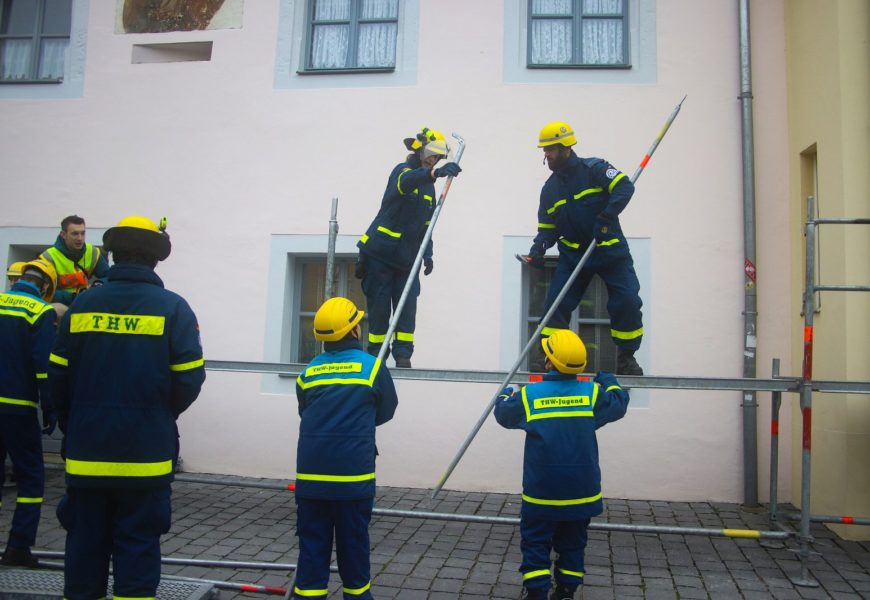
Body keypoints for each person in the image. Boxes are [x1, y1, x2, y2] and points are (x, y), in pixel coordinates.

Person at [49, 215, 205, 599]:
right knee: (138, 550)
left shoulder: (82, 306)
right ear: (155, 261)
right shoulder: (173, 309)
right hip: (145, 458)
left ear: (113, 256)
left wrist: (76, 422)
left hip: (86, 454)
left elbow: (56, 381)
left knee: (84, 549)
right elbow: (189, 379)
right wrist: (157, 413)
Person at [494, 329, 629, 600]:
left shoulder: (530, 395)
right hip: (582, 493)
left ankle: (536, 593)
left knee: (535, 543)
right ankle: (566, 591)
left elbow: (503, 415)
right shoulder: (592, 394)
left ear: (549, 361)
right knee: (573, 545)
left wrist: (504, 393)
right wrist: (609, 380)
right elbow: (619, 403)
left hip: (542, 494)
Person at [293, 296, 398, 599]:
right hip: (353, 479)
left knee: (312, 549)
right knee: (353, 548)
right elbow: (387, 409)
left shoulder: (308, 372)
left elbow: (305, 411)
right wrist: (358, 424)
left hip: (311, 480)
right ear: (354, 331)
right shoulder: (371, 368)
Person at [527, 121, 644, 375]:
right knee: (555, 306)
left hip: (610, 251)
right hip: (573, 255)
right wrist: (539, 247)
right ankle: (546, 354)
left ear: (565, 147)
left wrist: (606, 217)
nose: (546, 155)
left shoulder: (595, 169)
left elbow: (625, 187)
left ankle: (626, 358)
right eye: (544, 150)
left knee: (627, 302)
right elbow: (548, 228)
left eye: (550, 149)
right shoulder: (550, 189)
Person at [356, 127, 462, 368]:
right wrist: (434, 174)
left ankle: (403, 354)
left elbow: (427, 223)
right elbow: (406, 182)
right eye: (431, 155)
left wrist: (428, 253)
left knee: (407, 306)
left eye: (437, 157)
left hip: (407, 258)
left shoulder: (428, 185)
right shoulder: (403, 172)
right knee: (380, 308)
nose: (434, 160)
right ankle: (377, 356)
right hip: (380, 255)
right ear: (420, 151)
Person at [0, 260, 58, 567]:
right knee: (31, 478)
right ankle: (17, 548)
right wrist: (50, 408)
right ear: (45, 286)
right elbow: (44, 369)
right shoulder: (39, 311)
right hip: (16, 408)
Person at [40, 214, 109, 306]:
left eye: (82, 233)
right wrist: (75, 297)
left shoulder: (93, 252)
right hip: (62, 305)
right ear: (63, 235)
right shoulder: (48, 257)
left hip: (86, 302)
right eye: (75, 234)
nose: (80, 238)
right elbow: (45, 291)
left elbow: (109, 276)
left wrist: (97, 285)